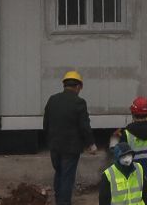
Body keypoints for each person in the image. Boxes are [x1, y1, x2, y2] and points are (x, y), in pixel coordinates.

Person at [43, 71, 95, 205]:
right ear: (78, 86)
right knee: (67, 177)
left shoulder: (52, 99)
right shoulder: (79, 102)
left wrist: (50, 140)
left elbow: (46, 123)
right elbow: (84, 126)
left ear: (64, 85)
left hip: (54, 146)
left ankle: (58, 200)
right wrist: (91, 144)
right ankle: (64, 202)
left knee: (59, 172)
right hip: (71, 148)